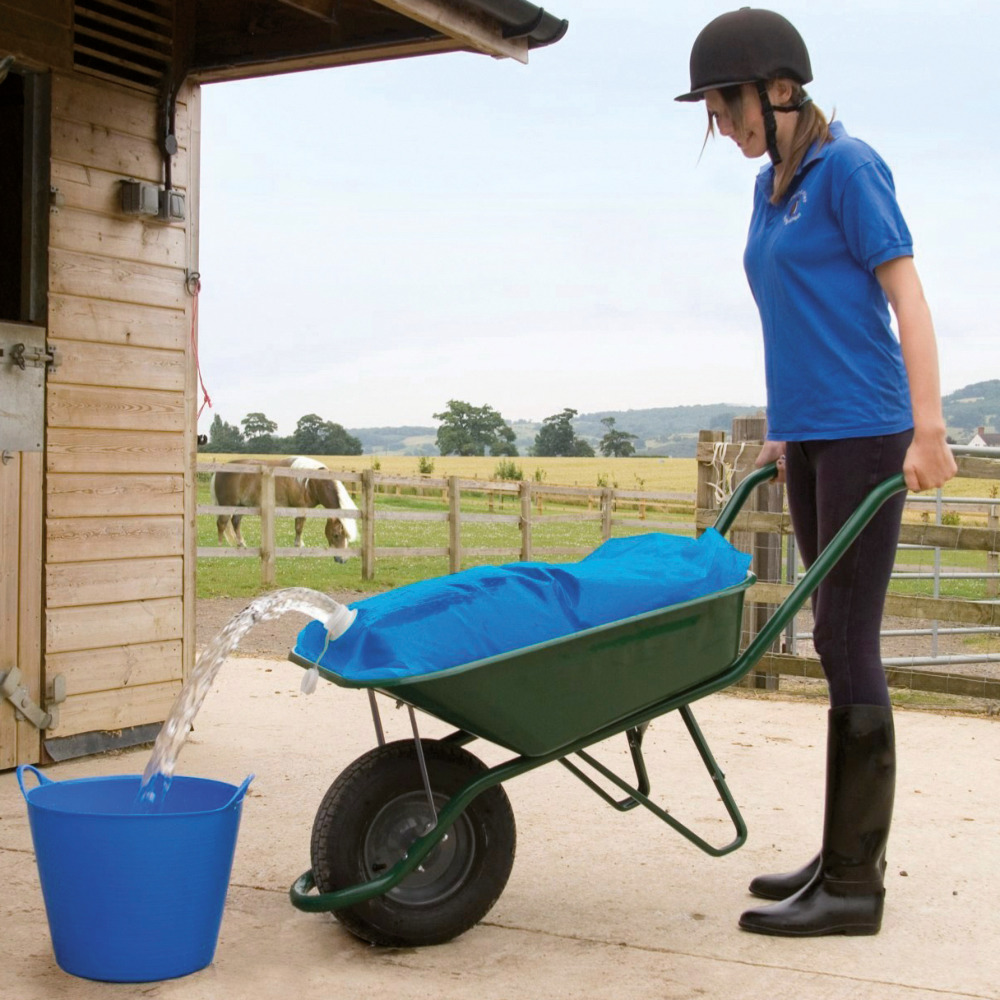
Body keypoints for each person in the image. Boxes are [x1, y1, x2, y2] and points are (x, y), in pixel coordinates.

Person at [676, 8, 957, 937]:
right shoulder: (771, 189)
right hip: (813, 438)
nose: (720, 123)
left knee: (844, 636)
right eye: (713, 111)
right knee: (830, 639)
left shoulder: (850, 168)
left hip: (871, 429)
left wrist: (929, 428)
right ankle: (839, 854)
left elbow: (906, 298)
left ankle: (854, 884)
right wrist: (784, 427)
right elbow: (793, 313)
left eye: (725, 104)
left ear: (779, 89)